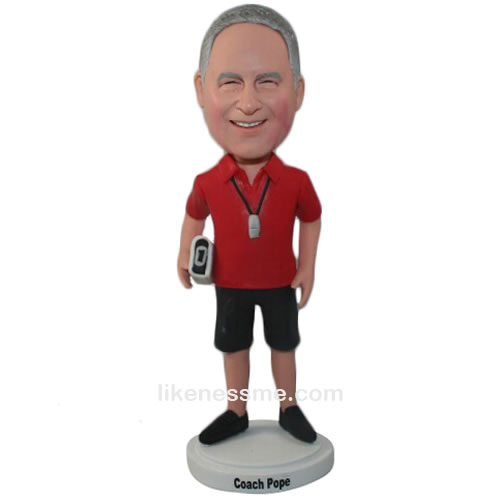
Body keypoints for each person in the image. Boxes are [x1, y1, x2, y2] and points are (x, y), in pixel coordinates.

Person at [177, 4, 322, 445]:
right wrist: (185, 252)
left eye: (267, 82)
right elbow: (194, 215)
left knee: (284, 345)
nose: (248, 102)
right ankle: (236, 410)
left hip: (280, 280)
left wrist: (308, 266)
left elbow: (311, 218)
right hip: (229, 282)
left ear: (297, 91)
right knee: (233, 347)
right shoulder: (208, 181)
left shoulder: (296, 181)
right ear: (201, 90)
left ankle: (288, 406)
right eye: (230, 82)